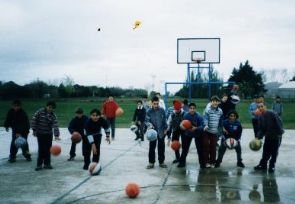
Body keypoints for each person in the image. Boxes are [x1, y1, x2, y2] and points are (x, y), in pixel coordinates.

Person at [254, 103, 284, 173]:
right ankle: (263, 165)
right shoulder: (260, 117)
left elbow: (279, 123)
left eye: (262, 106)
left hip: (276, 136)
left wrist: (279, 133)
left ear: (265, 107)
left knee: (274, 152)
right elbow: (261, 129)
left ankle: (272, 166)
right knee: (265, 152)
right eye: (259, 107)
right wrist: (258, 137)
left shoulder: (272, 113)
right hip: (268, 136)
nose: (260, 108)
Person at [31, 101, 60, 171]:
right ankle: (39, 165)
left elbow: (55, 125)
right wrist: (34, 130)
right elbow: (34, 120)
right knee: (41, 149)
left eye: (52, 108)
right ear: (46, 106)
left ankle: (47, 164)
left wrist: (56, 135)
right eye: (49, 107)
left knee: (48, 149)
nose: (50, 109)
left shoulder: (53, 115)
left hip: (48, 134)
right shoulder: (40, 112)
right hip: (40, 134)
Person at [177, 103, 204, 168]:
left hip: (197, 133)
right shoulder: (186, 115)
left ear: (195, 109)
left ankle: (202, 163)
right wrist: (181, 126)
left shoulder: (199, 116)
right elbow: (181, 124)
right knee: (185, 149)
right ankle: (182, 163)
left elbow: (202, 126)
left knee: (199, 149)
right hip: (188, 133)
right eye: (190, 108)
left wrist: (196, 128)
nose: (192, 110)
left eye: (193, 108)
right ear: (188, 109)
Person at [145, 96, 168, 169]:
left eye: (157, 104)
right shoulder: (149, 111)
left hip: (161, 131)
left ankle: (161, 162)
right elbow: (147, 121)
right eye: (154, 104)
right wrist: (150, 126)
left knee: (161, 147)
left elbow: (164, 120)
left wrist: (165, 128)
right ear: (152, 103)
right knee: (152, 147)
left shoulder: (162, 110)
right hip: (153, 132)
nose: (156, 105)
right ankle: (151, 162)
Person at [203, 95, 223, 168]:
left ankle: (212, 162)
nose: (215, 102)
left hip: (214, 132)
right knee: (206, 146)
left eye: (216, 101)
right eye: (213, 101)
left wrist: (221, 129)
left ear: (218, 102)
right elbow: (205, 118)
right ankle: (206, 162)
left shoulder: (220, 111)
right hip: (207, 131)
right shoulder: (208, 110)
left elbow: (221, 121)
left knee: (213, 147)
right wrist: (206, 125)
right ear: (211, 102)